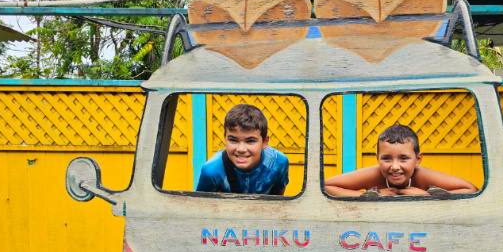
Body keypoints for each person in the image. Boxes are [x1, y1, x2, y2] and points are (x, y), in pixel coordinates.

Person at [324, 123, 478, 197]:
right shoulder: (374, 175)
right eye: (386, 158)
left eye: (404, 158)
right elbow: (325, 186)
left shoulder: (422, 176)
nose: (395, 166)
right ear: (377, 158)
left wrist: (426, 196)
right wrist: (374, 196)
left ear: (418, 159)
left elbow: (471, 190)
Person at [196, 103, 289, 194]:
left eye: (250, 141)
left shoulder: (278, 163)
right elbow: (201, 206)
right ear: (225, 138)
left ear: (265, 142)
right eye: (233, 140)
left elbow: (278, 201)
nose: (241, 149)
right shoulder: (211, 171)